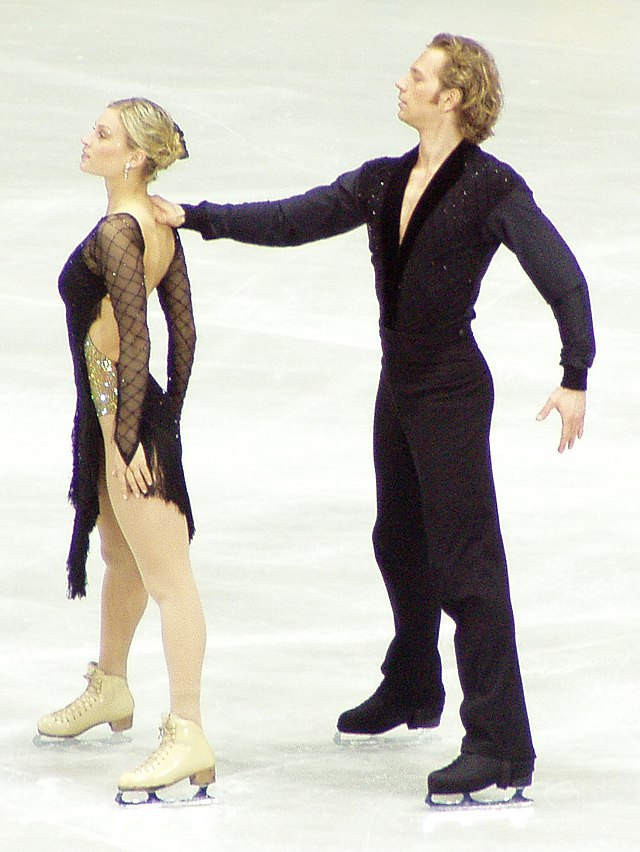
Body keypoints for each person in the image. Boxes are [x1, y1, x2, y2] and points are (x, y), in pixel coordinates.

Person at [153, 33, 595, 801]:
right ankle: (415, 683)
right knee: (398, 538)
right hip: (403, 386)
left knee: (468, 565)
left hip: (452, 389)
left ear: (450, 97)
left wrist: (574, 373)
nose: (402, 81)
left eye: (417, 75)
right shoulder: (386, 180)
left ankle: (501, 744)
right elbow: (298, 217)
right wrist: (197, 216)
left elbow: (563, 276)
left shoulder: (490, 187)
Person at [38, 98, 215, 803]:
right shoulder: (156, 224)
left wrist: (129, 435)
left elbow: (132, 338)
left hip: (123, 416)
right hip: (126, 412)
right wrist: (160, 419)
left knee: (171, 581)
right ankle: (111, 685)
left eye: (103, 134)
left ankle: (189, 730)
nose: (89, 139)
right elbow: (186, 333)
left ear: (135, 156)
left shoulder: (120, 228)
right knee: (120, 558)